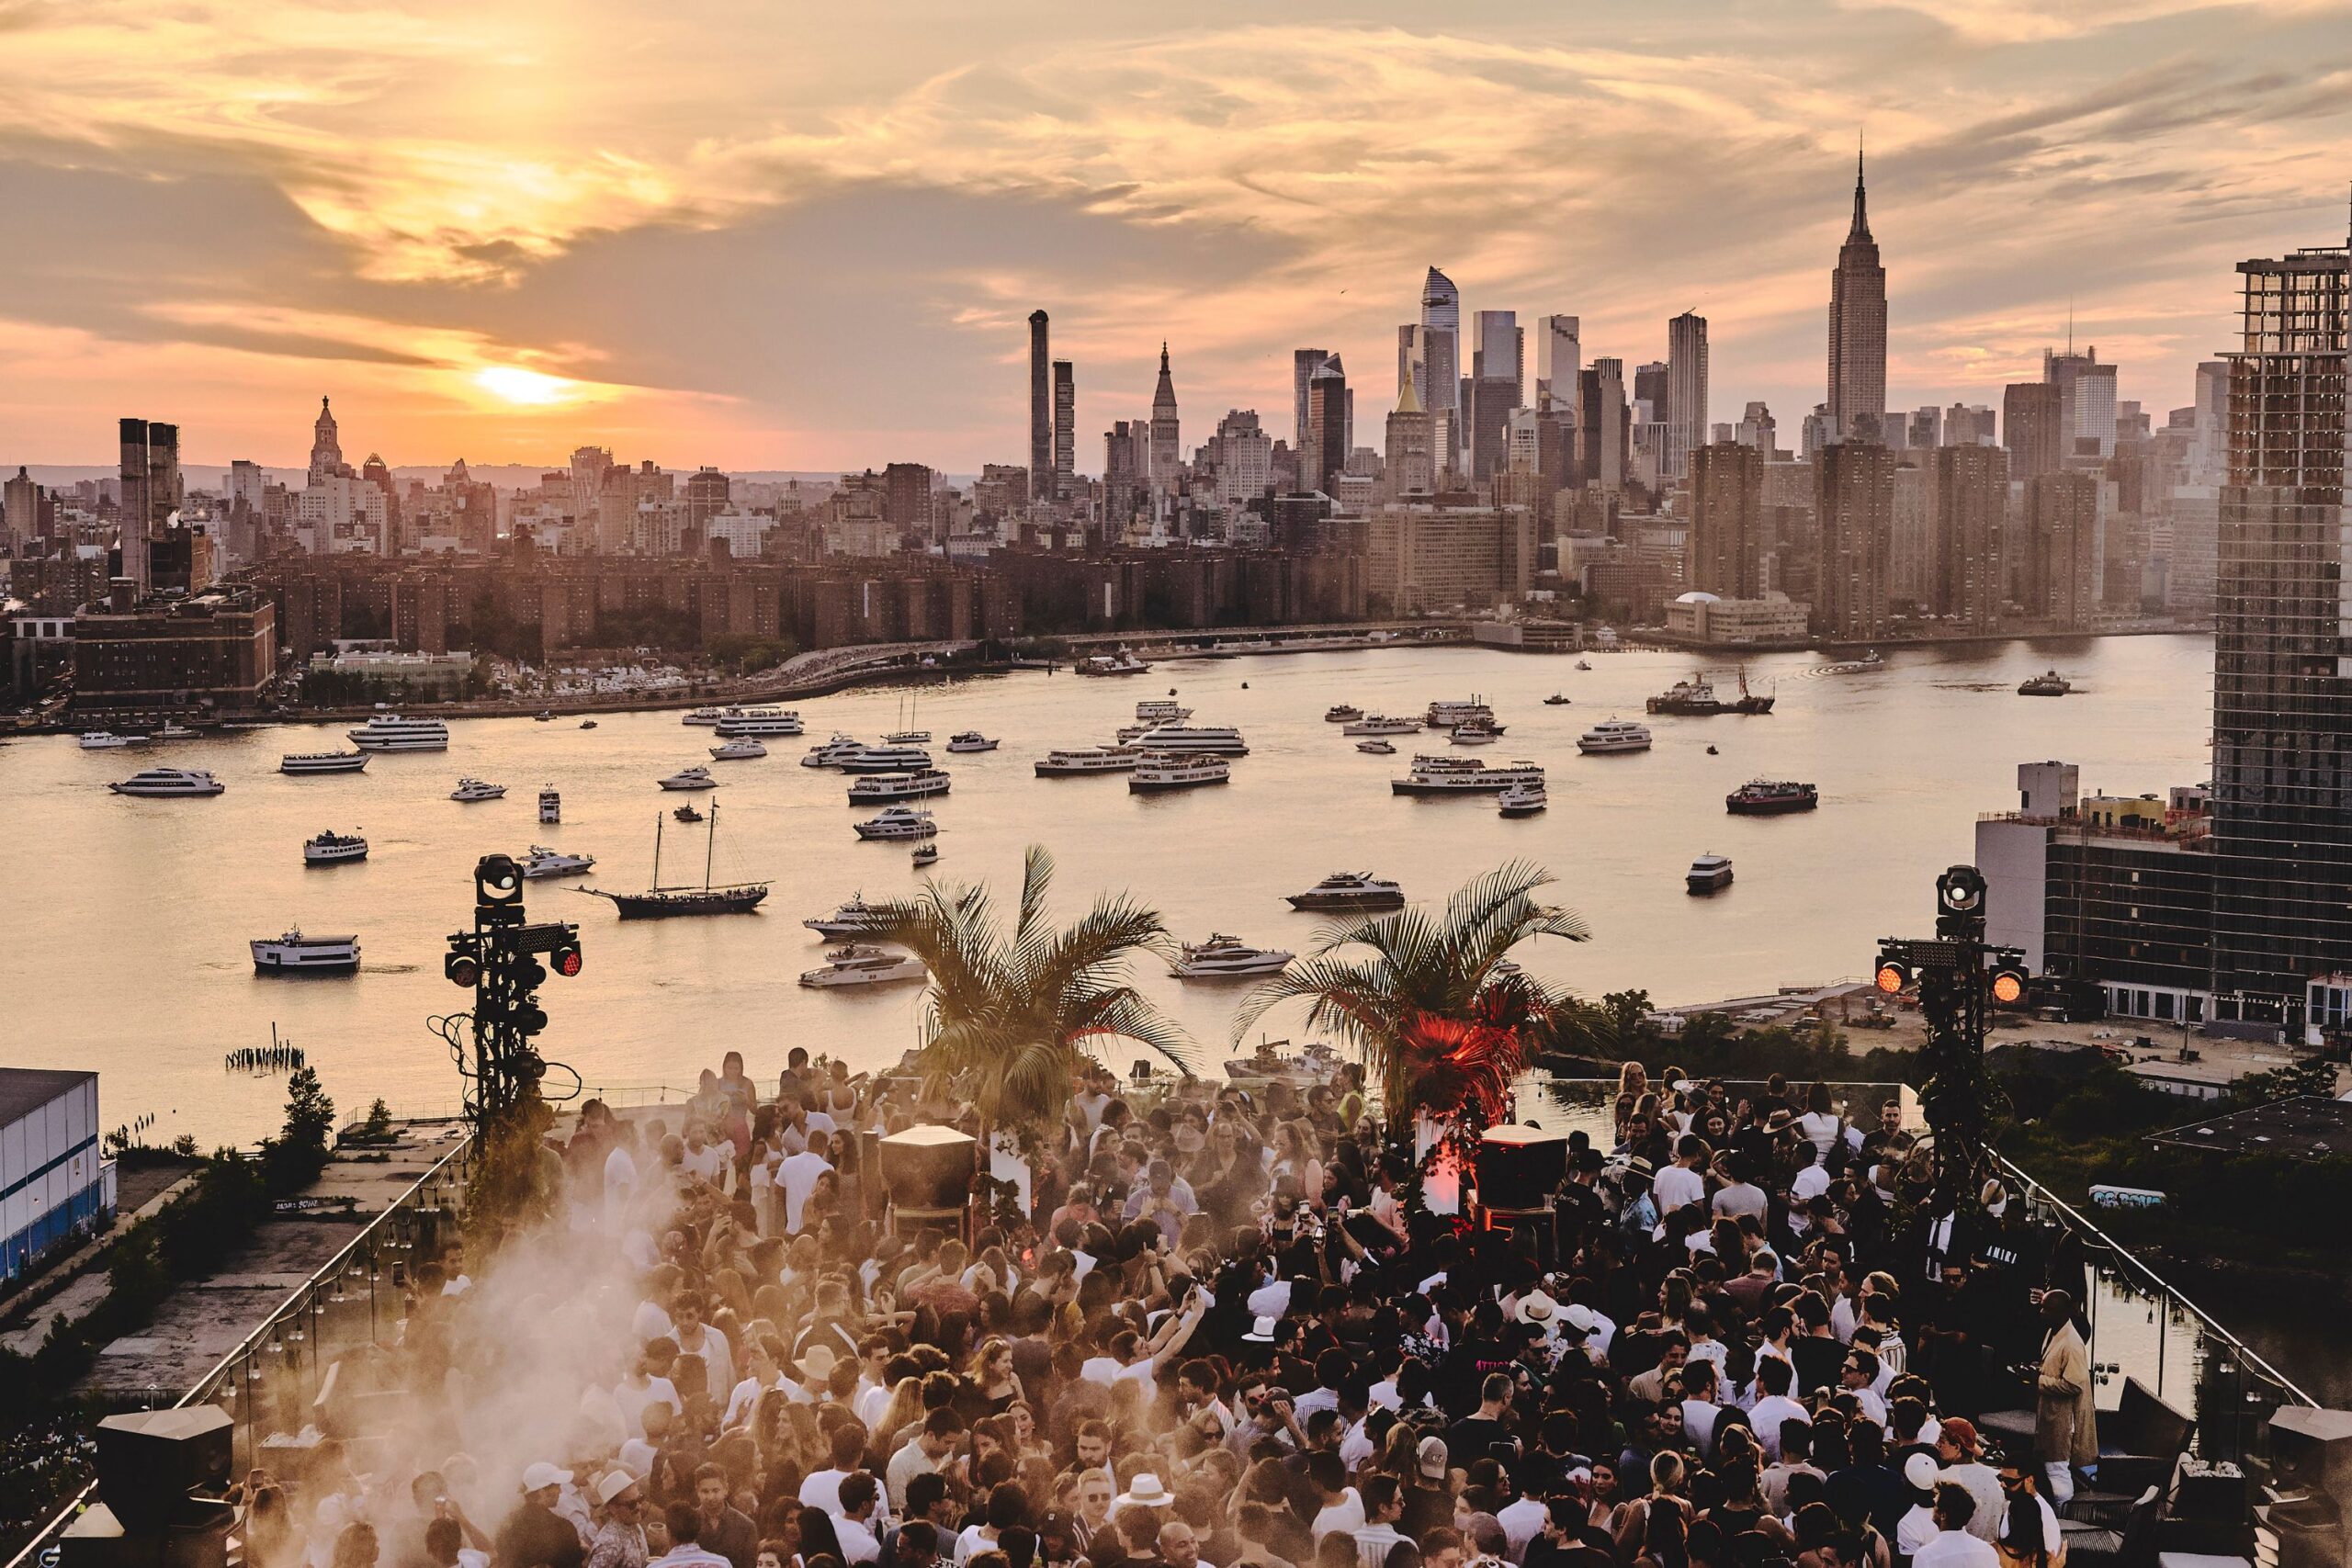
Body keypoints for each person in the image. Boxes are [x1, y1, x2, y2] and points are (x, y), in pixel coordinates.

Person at [2030, 1292, 2095, 1506]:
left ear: (2063, 1313)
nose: (2041, 1313)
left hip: (2063, 1423)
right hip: (2049, 1417)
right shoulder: (2052, 1332)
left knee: (2058, 1473)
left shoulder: (2073, 1344)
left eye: (2047, 1309)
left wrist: (2038, 1380)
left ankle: (2063, 1519)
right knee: (2049, 1469)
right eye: (2042, 1307)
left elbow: (2073, 1385)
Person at [500, 1464, 587, 1568]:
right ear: (542, 1492)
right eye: (557, 1486)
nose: (560, 1491)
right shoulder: (562, 1528)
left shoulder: (507, 1525)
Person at [1909, 1484, 1998, 1568]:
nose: (1933, 1509)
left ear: (1943, 1515)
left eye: (1935, 1505)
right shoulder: (1988, 1551)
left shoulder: (1925, 1556)